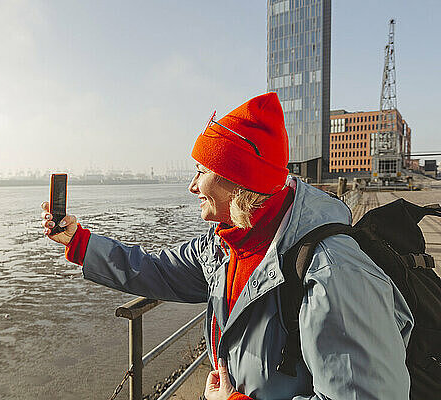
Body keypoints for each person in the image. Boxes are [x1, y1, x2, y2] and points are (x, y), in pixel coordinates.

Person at [41, 93, 413, 399]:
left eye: (201, 172)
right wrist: (80, 242)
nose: (191, 186)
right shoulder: (228, 243)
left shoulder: (335, 273)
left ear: (238, 181)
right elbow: (155, 270)